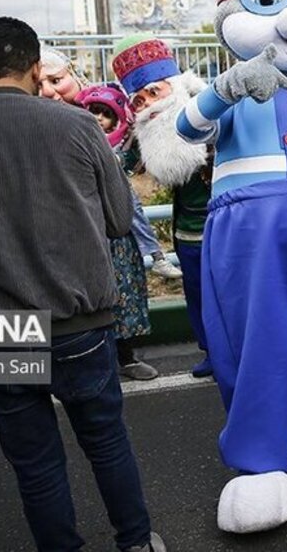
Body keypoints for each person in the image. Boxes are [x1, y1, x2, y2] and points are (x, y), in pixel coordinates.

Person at [0, 17, 164, 552]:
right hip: (79, 319)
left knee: (35, 463)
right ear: (36, 68)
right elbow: (118, 219)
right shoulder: (78, 127)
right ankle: (136, 542)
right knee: (106, 440)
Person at [113, 35, 213, 379]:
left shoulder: (208, 105)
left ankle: (239, 352)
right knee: (197, 294)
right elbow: (122, 168)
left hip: (227, 223)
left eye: (154, 93)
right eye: (139, 99)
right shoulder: (146, 128)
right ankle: (211, 351)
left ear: (174, 86)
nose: (148, 104)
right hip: (187, 230)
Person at [40, 44, 182, 281]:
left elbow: (143, 152)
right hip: (68, 247)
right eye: (38, 85)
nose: (47, 91)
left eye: (56, 80)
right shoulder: (36, 125)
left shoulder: (112, 107)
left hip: (117, 243)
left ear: (73, 74)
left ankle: (156, 255)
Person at [76, 84, 156, 380]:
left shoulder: (125, 149)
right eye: (93, 112)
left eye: (105, 114)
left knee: (125, 297)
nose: (98, 118)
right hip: (88, 236)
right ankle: (100, 360)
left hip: (119, 239)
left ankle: (127, 357)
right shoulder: (75, 146)